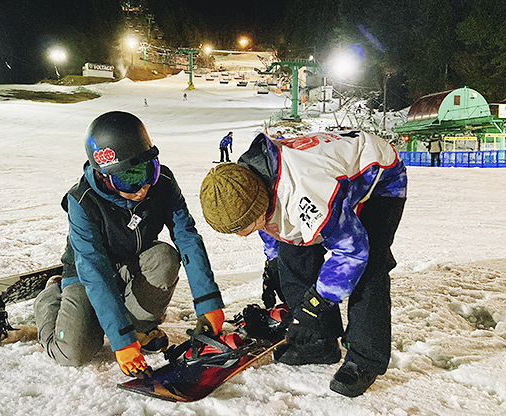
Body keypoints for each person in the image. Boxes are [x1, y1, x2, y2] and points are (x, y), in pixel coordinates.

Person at [199, 130, 407, 397]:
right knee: (292, 254)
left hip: (378, 180)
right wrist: (273, 261)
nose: (241, 235)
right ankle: (319, 342)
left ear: (259, 203)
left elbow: (351, 253)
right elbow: (269, 224)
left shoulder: (304, 192)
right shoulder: (243, 182)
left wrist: (314, 305)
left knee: (369, 269)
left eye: (242, 227)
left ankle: (365, 359)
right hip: (326, 178)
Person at [35, 111, 225, 378]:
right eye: (127, 179)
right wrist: (122, 341)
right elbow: (95, 271)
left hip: (132, 264)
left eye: (148, 171)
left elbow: (187, 238)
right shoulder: (82, 202)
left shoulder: (163, 184)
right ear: (104, 176)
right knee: (74, 354)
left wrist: (208, 302)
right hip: (86, 277)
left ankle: (139, 326)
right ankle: (50, 296)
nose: (142, 188)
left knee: (164, 257)